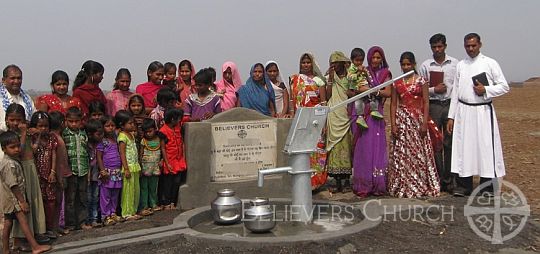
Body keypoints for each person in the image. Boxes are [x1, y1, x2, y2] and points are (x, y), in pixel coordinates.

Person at [447, 33, 510, 196]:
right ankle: (464, 185)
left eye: (473, 45)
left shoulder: (489, 63)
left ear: (480, 45)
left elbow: (504, 86)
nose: (470, 49)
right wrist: (451, 116)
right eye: (467, 46)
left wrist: (486, 90)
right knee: (464, 148)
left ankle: (487, 187)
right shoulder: (461, 65)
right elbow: (455, 92)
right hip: (463, 111)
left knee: (485, 148)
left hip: (483, 111)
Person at [387, 52, 440, 198]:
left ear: (413, 64)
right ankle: (403, 184)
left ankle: (419, 183)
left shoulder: (421, 81)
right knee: (403, 153)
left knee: (417, 153)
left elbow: (426, 102)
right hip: (403, 121)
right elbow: (393, 105)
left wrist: (424, 123)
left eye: (408, 64)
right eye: (403, 64)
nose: (405, 67)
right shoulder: (396, 83)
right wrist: (394, 124)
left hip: (417, 121)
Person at [419, 33, 459, 194]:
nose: (437, 49)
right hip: (434, 105)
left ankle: (450, 180)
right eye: (434, 47)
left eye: (439, 46)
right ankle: (439, 178)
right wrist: (434, 89)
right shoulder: (426, 66)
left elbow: (458, 87)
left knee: (450, 143)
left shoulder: (455, 64)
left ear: (445, 46)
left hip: (450, 105)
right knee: (436, 144)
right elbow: (419, 89)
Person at [0, 131, 51, 254]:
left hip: (8, 199)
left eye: (18, 146)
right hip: (14, 199)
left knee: (8, 222)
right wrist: (22, 201)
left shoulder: (10, 161)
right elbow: (13, 185)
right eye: (12, 147)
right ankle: (35, 247)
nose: (17, 149)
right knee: (23, 221)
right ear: (4, 149)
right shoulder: (9, 164)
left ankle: (6, 249)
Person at [6, 104, 49, 249]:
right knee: (23, 203)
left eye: (19, 120)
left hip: (30, 168)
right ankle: (19, 239)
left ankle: (33, 233)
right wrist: (24, 134)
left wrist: (37, 136)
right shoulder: (10, 136)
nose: (16, 123)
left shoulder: (27, 132)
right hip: (20, 170)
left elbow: (34, 150)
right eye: (12, 120)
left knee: (33, 199)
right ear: (7, 120)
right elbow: (20, 151)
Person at [352, 46, 392, 197]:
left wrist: (373, 90)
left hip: (377, 115)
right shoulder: (363, 72)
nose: (375, 60)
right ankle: (364, 183)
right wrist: (370, 90)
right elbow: (358, 88)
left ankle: (377, 184)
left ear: (382, 59)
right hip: (364, 113)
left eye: (378, 58)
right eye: (373, 57)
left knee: (376, 147)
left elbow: (387, 92)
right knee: (364, 147)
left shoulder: (385, 73)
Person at [289, 53, 328, 190]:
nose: (306, 65)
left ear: (312, 64)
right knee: (302, 151)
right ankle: (303, 184)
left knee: (317, 150)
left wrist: (324, 122)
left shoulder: (319, 81)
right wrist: (293, 117)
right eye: (303, 62)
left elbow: (323, 103)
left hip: (316, 120)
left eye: (308, 62)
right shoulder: (295, 79)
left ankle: (316, 183)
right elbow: (292, 101)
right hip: (300, 120)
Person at [325, 51, 354, 193]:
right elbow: (328, 94)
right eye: (332, 63)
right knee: (334, 147)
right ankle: (337, 181)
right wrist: (330, 79)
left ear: (343, 63)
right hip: (334, 114)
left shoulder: (350, 77)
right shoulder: (329, 77)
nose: (334, 66)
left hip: (346, 114)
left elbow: (354, 93)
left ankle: (347, 180)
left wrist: (349, 92)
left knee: (346, 146)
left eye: (336, 63)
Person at [30, 111, 60, 238]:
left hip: (49, 175)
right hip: (37, 176)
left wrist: (53, 172)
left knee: (51, 201)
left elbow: (53, 154)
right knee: (39, 202)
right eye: (40, 126)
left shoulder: (52, 138)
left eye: (45, 126)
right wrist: (36, 137)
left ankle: (50, 227)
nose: (43, 129)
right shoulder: (31, 139)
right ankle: (39, 230)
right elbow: (33, 151)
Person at [62, 107, 89, 230]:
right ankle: (71, 223)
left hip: (82, 170)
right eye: (71, 121)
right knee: (70, 199)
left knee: (82, 197)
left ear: (80, 121)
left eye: (76, 121)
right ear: (66, 121)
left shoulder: (83, 134)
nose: (74, 124)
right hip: (71, 171)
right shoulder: (64, 134)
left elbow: (86, 152)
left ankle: (82, 222)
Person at [96, 115, 123, 226]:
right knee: (105, 195)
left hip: (116, 171)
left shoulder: (117, 138)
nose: (111, 128)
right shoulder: (102, 141)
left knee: (115, 194)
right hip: (107, 171)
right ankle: (105, 215)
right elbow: (99, 157)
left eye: (112, 125)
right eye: (108, 126)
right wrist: (102, 171)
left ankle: (113, 213)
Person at [115, 110, 142, 220]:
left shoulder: (131, 135)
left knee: (135, 190)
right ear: (122, 125)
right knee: (128, 191)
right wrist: (126, 168)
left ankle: (133, 210)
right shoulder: (122, 136)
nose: (132, 125)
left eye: (133, 123)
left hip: (134, 166)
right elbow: (122, 153)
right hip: (128, 167)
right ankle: (127, 213)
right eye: (130, 123)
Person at [48, 111, 71, 235]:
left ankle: (56, 226)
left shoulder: (56, 137)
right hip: (58, 174)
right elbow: (55, 159)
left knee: (58, 202)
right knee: (56, 202)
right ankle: (53, 227)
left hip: (61, 173)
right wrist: (58, 176)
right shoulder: (55, 138)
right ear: (62, 123)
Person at [139, 118, 167, 215]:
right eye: (146, 132)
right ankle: (144, 206)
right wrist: (140, 166)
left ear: (155, 129)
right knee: (144, 187)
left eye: (150, 131)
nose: (148, 134)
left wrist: (163, 160)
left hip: (155, 167)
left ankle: (154, 204)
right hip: (145, 167)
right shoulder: (143, 141)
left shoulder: (159, 139)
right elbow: (141, 154)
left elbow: (163, 151)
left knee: (153, 187)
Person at [159, 108, 186, 209]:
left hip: (179, 160)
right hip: (170, 160)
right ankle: (166, 202)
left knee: (176, 182)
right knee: (168, 183)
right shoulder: (163, 131)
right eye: (178, 118)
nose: (179, 120)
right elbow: (163, 148)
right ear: (172, 119)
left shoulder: (178, 128)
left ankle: (172, 202)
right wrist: (167, 162)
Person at [0, 65, 35, 132]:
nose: (16, 81)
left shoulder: (27, 98)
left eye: (19, 78)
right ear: (3, 80)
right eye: (12, 78)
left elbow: (33, 119)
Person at [85, 119, 104, 228]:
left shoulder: (101, 145)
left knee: (95, 197)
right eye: (98, 134)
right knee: (88, 198)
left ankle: (94, 219)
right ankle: (87, 219)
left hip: (97, 175)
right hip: (89, 175)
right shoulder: (87, 146)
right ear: (90, 134)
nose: (101, 136)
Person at [347, 48, 372, 129]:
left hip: (364, 86)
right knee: (358, 101)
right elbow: (350, 78)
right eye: (357, 60)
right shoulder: (351, 69)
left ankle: (372, 110)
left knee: (369, 97)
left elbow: (369, 78)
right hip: (356, 88)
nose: (359, 62)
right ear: (352, 60)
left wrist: (365, 73)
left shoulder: (363, 68)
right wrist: (358, 72)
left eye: (361, 60)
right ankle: (360, 117)